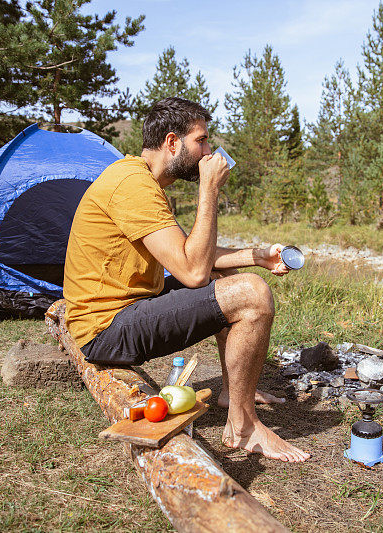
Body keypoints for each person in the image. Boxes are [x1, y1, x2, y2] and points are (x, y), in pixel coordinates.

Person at [63, 96, 310, 463]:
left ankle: (232, 394)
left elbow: (191, 253)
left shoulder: (140, 180)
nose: (209, 151)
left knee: (229, 275)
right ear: (173, 142)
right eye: (202, 140)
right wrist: (208, 190)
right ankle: (243, 429)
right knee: (252, 294)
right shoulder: (132, 185)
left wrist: (257, 257)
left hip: (125, 311)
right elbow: (193, 272)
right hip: (106, 328)